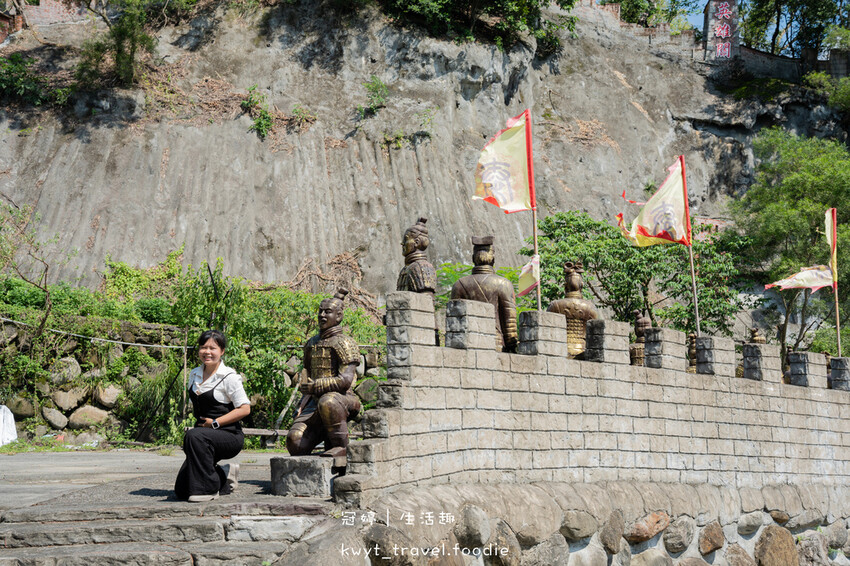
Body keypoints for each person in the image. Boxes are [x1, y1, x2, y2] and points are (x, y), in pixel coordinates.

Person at [286, 288, 361, 466]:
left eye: (328, 311)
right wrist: (303, 400)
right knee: (295, 442)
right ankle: (326, 433)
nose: (322, 315)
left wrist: (317, 385)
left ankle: (341, 446)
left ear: (339, 316)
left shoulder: (344, 342)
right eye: (320, 311)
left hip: (343, 399)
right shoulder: (311, 343)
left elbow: (345, 381)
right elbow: (307, 376)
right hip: (314, 402)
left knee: (328, 402)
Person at [174, 330, 251, 502]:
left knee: (193, 435)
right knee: (181, 490)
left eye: (212, 348)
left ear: (222, 351)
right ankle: (224, 474)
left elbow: (245, 409)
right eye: (203, 347)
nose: (207, 352)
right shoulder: (194, 374)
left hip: (228, 435)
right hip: (201, 438)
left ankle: (207, 490)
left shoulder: (229, 377)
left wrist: (215, 423)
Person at [450, 235, 518, 352]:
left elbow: (454, 322)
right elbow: (510, 322)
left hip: (466, 344)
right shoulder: (503, 283)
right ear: (493, 259)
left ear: (473, 258)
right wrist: (513, 345)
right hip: (496, 343)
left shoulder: (459, 285)